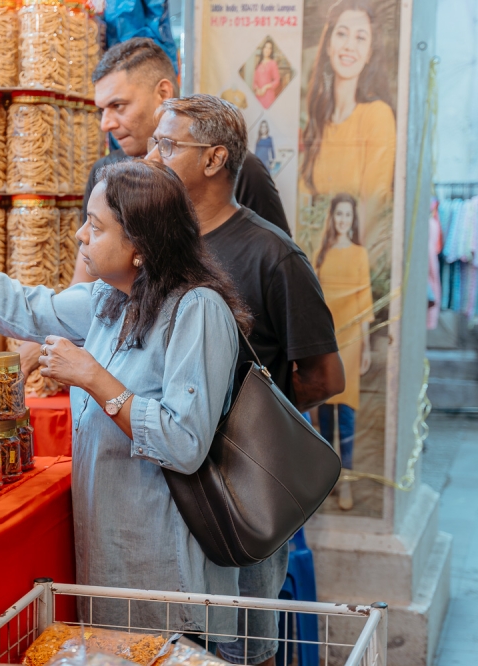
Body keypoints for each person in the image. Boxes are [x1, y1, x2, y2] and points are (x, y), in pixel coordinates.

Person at [0, 159, 252, 638]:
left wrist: (95, 379)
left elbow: (183, 443)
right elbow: (25, 307)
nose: (80, 235)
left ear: (139, 245)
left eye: (95, 226)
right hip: (112, 552)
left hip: (168, 560)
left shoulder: (196, 311)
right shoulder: (111, 300)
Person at [145, 94, 344, 666]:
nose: (155, 157)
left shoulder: (273, 256)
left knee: (238, 644)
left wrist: (241, 410)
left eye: (168, 145)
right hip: (171, 474)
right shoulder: (162, 246)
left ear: (213, 159)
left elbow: (326, 375)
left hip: (237, 488)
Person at [86, 37, 290, 236]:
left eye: (118, 106)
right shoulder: (105, 174)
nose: (106, 124)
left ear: (164, 93)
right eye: (102, 110)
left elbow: (275, 257)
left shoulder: (240, 170)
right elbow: (88, 263)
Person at [301, 0, 395, 231]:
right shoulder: (317, 118)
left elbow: (373, 206)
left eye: (361, 38)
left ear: (370, 53)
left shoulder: (378, 116)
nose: (349, 46)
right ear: (328, 44)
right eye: (342, 34)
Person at [314, 193, 374, 511]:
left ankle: (346, 480)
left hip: (350, 343)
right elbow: (312, 301)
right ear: (332, 218)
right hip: (326, 343)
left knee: (347, 415)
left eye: (347, 215)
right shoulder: (320, 256)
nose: (342, 220)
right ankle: (327, 480)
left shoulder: (360, 255)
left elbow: (364, 302)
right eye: (338, 214)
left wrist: (365, 347)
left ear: (353, 220)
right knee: (324, 415)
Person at [253, 39, 281, 108]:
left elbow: (277, 80)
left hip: (268, 96)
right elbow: (254, 81)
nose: (267, 50)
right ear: (263, 49)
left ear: (271, 51)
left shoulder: (272, 63)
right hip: (258, 96)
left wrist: (265, 87)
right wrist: (257, 89)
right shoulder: (259, 64)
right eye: (266, 47)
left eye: (269, 48)